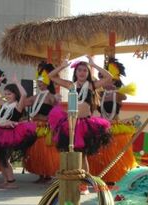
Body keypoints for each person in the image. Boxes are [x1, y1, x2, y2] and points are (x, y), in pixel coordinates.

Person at [48, 56, 112, 194]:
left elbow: (109, 77)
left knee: (82, 156)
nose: (82, 73)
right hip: (71, 123)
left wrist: (94, 65)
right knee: (70, 153)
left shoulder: (91, 85)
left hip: (85, 124)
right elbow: (51, 76)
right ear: (75, 72)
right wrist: (63, 65)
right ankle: (71, 181)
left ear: (88, 73)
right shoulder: (71, 85)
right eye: (79, 70)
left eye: (85, 70)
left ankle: (84, 186)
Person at [88, 57, 137, 183]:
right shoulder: (100, 95)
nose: (107, 83)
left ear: (116, 81)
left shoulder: (119, 94)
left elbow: (125, 96)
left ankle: (114, 176)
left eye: (112, 80)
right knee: (101, 154)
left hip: (115, 127)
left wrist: (116, 87)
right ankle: (102, 176)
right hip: (101, 127)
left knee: (113, 154)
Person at [0, 74, 36, 189]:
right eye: (5, 94)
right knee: (0, 158)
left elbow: (24, 94)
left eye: (9, 94)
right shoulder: (5, 104)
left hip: (10, 134)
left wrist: (17, 82)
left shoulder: (17, 105)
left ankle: (11, 182)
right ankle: (6, 180)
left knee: (5, 158)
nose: (7, 96)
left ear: (15, 94)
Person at [24, 62, 59, 183]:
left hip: (45, 128)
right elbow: (24, 103)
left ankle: (47, 173)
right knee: (35, 152)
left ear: (47, 82)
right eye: (38, 82)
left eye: (41, 81)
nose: (39, 84)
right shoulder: (35, 97)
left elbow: (56, 113)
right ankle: (40, 174)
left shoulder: (51, 97)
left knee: (44, 152)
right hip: (35, 127)